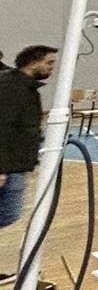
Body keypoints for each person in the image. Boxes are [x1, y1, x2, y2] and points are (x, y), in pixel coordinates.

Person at [0, 45, 57, 236]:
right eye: (49, 63)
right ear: (33, 63)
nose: (52, 68)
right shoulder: (13, 89)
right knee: (9, 213)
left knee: (9, 213)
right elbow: (3, 127)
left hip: (14, 165)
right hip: (9, 166)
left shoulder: (22, 87)